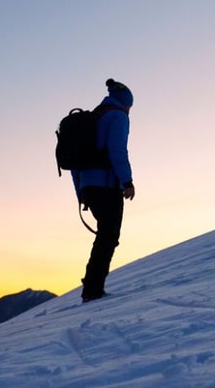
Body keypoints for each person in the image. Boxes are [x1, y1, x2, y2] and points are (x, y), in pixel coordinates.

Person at [73, 79, 135, 302]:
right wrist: (127, 181)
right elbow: (118, 150)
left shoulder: (93, 118)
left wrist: (81, 191)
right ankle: (92, 288)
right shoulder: (118, 116)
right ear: (126, 103)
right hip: (107, 185)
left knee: (105, 234)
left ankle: (92, 284)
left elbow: (76, 164)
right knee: (108, 235)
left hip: (88, 186)